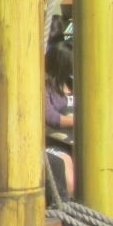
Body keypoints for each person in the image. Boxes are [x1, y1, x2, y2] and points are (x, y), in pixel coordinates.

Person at [44, 39, 74, 196]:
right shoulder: (45, 86)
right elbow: (50, 117)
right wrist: (79, 122)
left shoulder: (74, 83)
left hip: (79, 142)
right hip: (55, 142)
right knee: (69, 182)